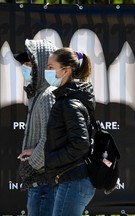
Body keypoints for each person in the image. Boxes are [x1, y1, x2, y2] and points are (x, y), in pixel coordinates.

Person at [44, 48, 96, 216]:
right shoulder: (67, 99)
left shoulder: (69, 103)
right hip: (72, 178)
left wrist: (52, 159)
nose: (47, 71)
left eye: (51, 67)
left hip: (74, 180)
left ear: (66, 70)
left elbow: (81, 143)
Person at [16, 39, 57, 216]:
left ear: (41, 64)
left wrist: (31, 164)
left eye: (29, 63)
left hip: (44, 183)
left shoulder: (47, 95)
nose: (25, 68)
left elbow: (48, 139)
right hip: (39, 183)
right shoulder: (36, 94)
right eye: (24, 64)